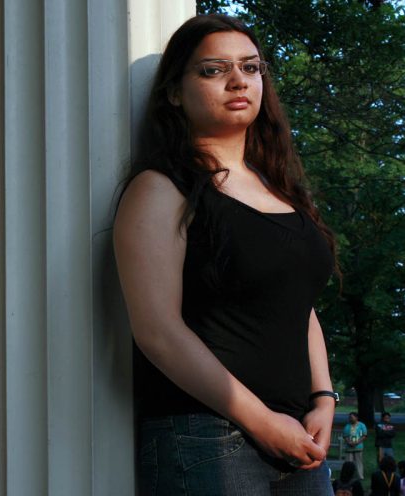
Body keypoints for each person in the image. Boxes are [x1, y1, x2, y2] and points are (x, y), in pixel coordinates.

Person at [114, 13, 338, 495]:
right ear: (175, 92)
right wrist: (262, 421)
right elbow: (158, 332)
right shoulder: (161, 188)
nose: (238, 80)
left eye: (251, 67)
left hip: (298, 433)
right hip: (206, 438)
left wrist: (323, 397)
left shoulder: (282, 190)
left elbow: (299, 307)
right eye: (213, 70)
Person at [343, 412, 368, 480]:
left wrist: (357, 442)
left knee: (359, 462)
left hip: (358, 447)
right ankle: (348, 476)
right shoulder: (347, 426)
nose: (350, 419)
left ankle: (360, 476)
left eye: (351, 417)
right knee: (348, 463)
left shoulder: (362, 425)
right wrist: (349, 442)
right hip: (349, 447)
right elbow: (345, 436)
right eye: (349, 417)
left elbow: (364, 435)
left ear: (356, 418)